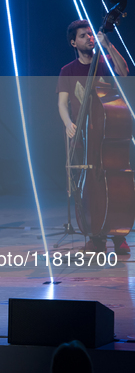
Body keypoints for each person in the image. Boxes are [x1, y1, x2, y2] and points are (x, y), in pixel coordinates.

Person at [56, 20, 130, 254]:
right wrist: (69, 123)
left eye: (90, 34)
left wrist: (108, 45)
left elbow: (124, 71)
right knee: (86, 185)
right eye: (83, 35)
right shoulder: (67, 70)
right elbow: (62, 103)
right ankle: (95, 235)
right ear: (73, 42)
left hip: (106, 133)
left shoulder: (103, 62)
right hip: (83, 135)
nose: (89, 37)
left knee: (114, 183)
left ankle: (118, 235)